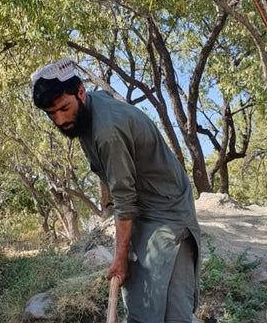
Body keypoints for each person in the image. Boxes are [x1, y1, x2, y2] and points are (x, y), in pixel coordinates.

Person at [31, 57, 201, 323]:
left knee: (151, 304)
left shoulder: (108, 132)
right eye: (52, 114)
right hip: (150, 206)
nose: (60, 119)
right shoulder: (89, 111)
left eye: (64, 108)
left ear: (81, 92)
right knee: (157, 301)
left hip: (165, 209)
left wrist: (120, 257)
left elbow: (124, 198)